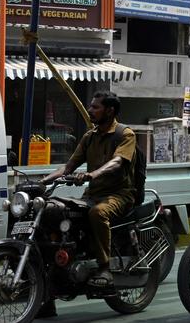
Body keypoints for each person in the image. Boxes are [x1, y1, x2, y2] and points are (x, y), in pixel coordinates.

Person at [41, 92, 136, 290]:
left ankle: (104, 268)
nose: (90, 110)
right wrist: (42, 181)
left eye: (95, 107)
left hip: (119, 195)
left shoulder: (125, 134)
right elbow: (68, 167)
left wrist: (93, 174)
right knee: (56, 211)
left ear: (109, 111)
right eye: (90, 106)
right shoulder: (90, 137)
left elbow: (118, 161)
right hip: (92, 195)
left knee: (97, 213)